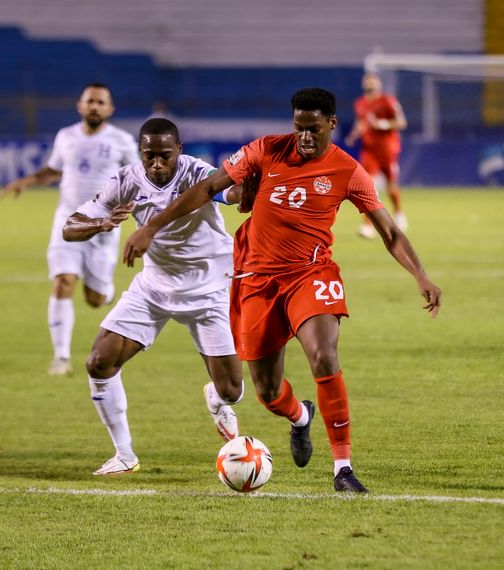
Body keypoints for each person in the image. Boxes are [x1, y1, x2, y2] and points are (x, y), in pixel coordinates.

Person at [124, 88, 442, 493]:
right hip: (256, 280)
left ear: (331, 124)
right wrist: (151, 226)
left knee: (324, 357)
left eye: (313, 129)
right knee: (268, 392)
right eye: (299, 128)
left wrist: (422, 275)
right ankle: (300, 417)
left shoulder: (348, 170)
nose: (305, 137)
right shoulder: (265, 150)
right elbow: (207, 189)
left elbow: (390, 231)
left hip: (311, 274)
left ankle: (343, 469)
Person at [62, 118, 243, 475]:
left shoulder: (196, 172)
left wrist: (243, 186)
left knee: (232, 389)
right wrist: (101, 224)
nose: (157, 164)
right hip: (154, 286)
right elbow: (70, 227)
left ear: (179, 150)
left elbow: (229, 193)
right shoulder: (126, 180)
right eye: (149, 156)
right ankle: (125, 455)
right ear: (140, 153)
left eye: (164, 155)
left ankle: (218, 400)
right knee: (99, 362)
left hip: (210, 288)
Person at [1, 83, 139, 375]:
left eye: (101, 102)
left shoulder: (122, 141)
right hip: (68, 221)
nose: (95, 106)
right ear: (80, 105)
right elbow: (54, 170)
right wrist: (26, 180)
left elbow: (137, 179)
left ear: (109, 109)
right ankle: (61, 358)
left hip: (104, 227)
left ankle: (107, 292)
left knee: (95, 299)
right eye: (90, 101)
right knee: (63, 280)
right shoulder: (65, 136)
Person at [344, 72, 409, 238]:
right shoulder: (360, 103)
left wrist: (384, 124)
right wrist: (354, 135)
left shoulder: (388, 101)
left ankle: (399, 213)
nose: (369, 84)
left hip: (388, 149)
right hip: (369, 150)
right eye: (367, 81)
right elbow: (361, 122)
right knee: (368, 186)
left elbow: (401, 122)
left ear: (378, 83)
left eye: (372, 81)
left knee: (391, 185)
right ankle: (368, 226)